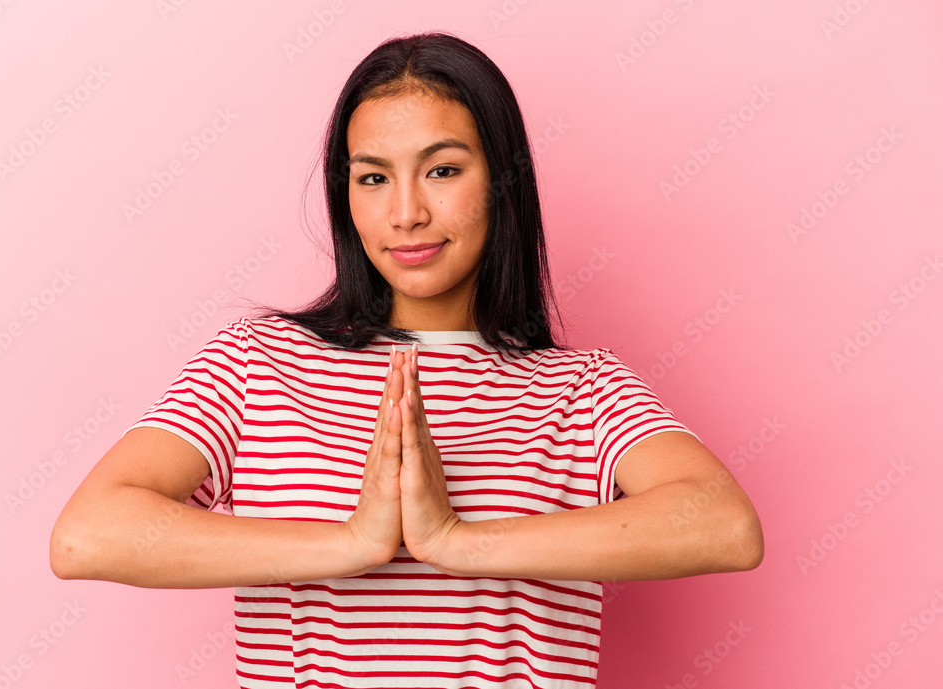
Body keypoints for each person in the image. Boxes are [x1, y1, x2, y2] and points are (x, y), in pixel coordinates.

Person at [50, 30, 763, 689]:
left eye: (443, 169)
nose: (406, 213)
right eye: (373, 178)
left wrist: (454, 540)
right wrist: (353, 541)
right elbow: (88, 536)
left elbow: (723, 525)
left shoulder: (581, 389)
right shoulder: (257, 363)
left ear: (501, 182)